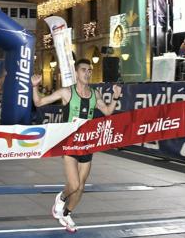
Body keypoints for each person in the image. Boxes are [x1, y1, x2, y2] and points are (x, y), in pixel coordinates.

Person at [31, 59, 122, 232]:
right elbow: (39, 103)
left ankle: (67, 213)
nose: (87, 73)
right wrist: (35, 86)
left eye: (89, 70)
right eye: (83, 70)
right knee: (73, 186)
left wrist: (116, 96)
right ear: (76, 73)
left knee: (81, 187)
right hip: (70, 144)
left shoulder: (95, 95)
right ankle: (61, 198)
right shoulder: (66, 92)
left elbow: (108, 112)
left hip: (87, 144)